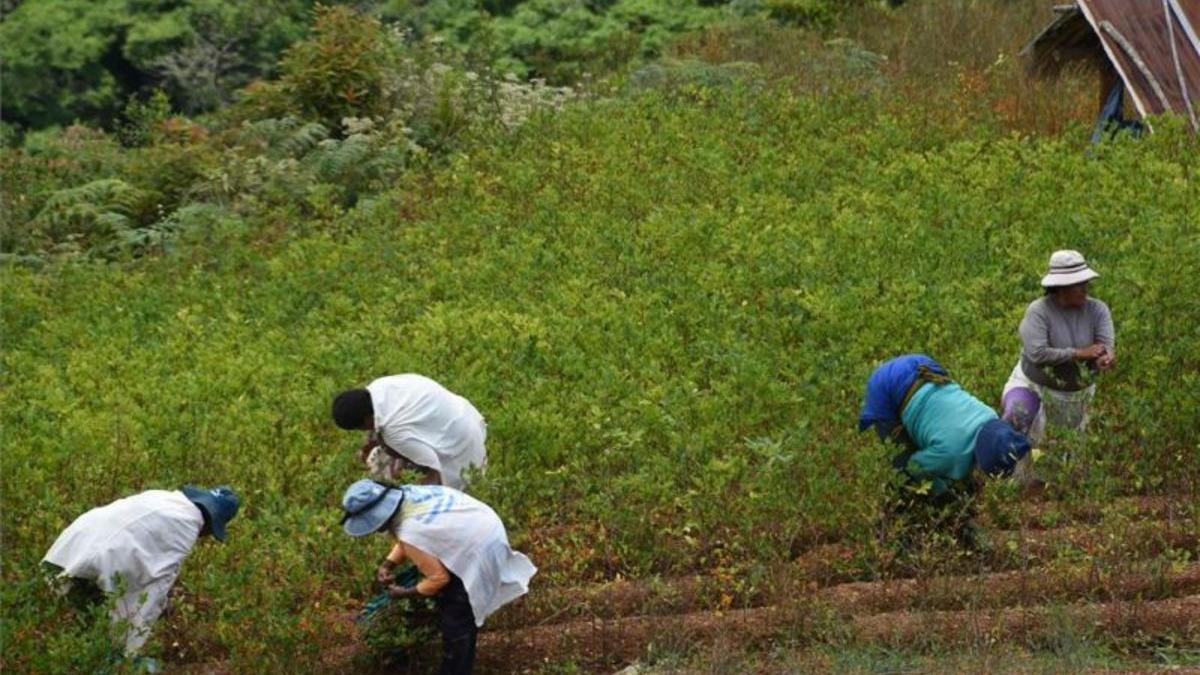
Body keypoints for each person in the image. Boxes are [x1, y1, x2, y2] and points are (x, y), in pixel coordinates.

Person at [340, 479, 536, 675]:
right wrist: (388, 563)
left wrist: (405, 593)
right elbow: (408, 537)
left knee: (457, 619)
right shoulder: (409, 495)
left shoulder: (410, 529)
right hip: (483, 525)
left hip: (478, 548)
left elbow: (439, 578)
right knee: (448, 602)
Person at [41, 485, 240, 657]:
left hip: (61, 554)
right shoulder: (186, 529)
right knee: (91, 643)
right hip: (81, 573)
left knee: (69, 630)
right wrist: (130, 649)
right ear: (211, 523)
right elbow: (156, 587)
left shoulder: (164, 498)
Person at [859, 354, 1031, 495]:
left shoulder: (990, 415)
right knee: (901, 472)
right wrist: (944, 493)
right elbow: (913, 467)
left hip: (924, 367)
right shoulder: (952, 453)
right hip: (886, 386)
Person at [1001, 250, 1115, 444]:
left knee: (1062, 451)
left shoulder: (1098, 310)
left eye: (1085, 283)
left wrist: (1104, 358)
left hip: (1077, 395)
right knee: (1016, 419)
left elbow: (1104, 346)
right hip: (1034, 385)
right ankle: (1006, 471)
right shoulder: (1039, 311)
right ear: (1061, 287)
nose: (1084, 289)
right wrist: (1080, 353)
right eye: (1078, 285)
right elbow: (1038, 353)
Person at [331, 374, 487, 490]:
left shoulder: (395, 432)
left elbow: (434, 468)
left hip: (462, 447)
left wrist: (415, 498)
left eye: (361, 428)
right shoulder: (379, 387)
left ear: (365, 421)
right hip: (465, 414)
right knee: (382, 456)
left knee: (383, 469)